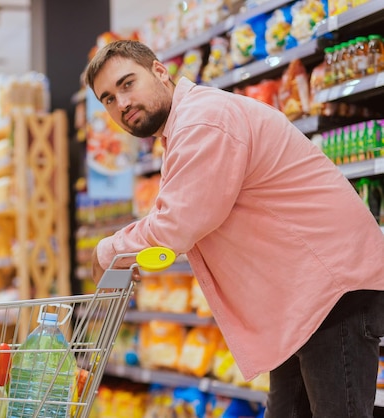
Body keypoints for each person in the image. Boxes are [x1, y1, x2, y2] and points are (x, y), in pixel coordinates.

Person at [85, 39, 384, 418]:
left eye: (127, 84)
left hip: (331, 288)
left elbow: (178, 222)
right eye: (108, 99)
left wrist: (108, 252)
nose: (122, 104)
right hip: (301, 299)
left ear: (160, 72)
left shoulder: (203, 121)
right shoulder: (184, 127)